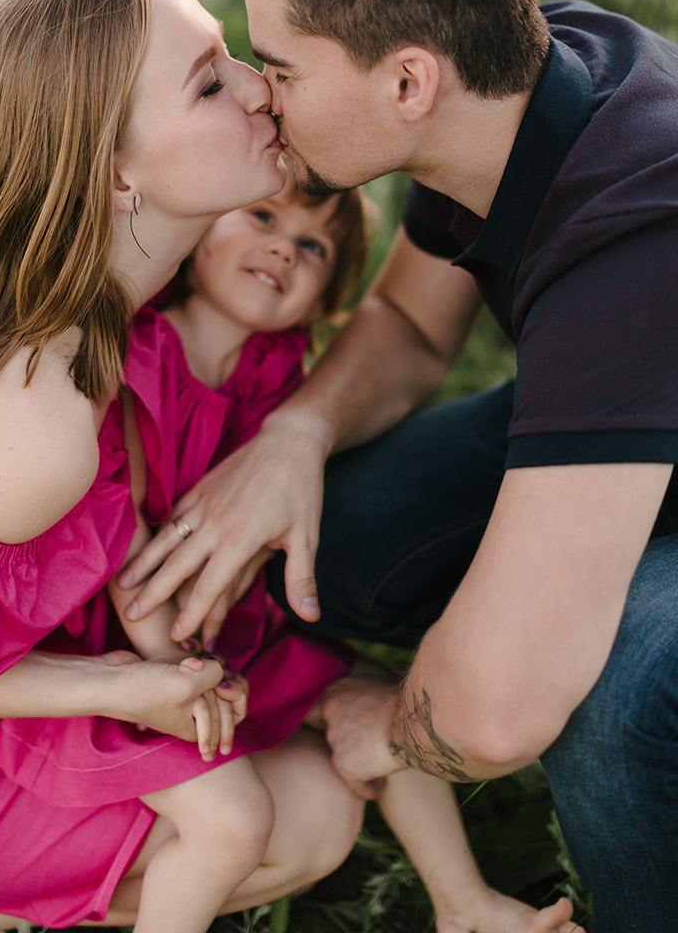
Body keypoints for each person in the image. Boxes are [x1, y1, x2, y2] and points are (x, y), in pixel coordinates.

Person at [117, 0, 678, 933]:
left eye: (280, 68)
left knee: (607, 699)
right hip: (632, 407)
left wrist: (394, 726)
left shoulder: (632, 244)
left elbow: (500, 717)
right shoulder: (517, 89)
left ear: (407, 81)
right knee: (333, 539)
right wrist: (295, 435)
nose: (260, 97)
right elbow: (415, 325)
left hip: (633, 380)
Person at [0, 0, 365, 933]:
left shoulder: (96, 319)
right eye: (209, 84)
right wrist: (108, 685)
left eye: (230, 55)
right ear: (114, 176)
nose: (258, 88)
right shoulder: (32, 431)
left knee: (304, 806)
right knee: (284, 822)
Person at [108, 174, 581, 933]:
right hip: (128, 627)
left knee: (367, 693)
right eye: (262, 215)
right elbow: (118, 533)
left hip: (229, 627)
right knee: (220, 787)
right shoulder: (139, 348)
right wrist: (175, 664)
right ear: (197, 229)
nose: (283, 250)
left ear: (328, 297)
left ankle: (462, 902)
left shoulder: (280, 372)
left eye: (313, 248)